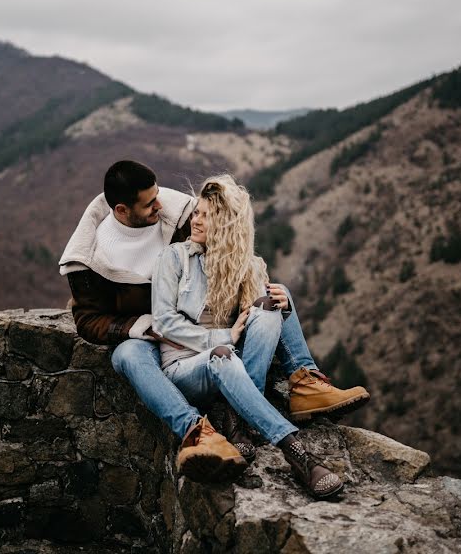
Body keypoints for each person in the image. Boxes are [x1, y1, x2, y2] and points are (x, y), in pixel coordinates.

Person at [58, 161, 370, 486]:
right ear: (122, 210)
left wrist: (275, 303)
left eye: (159, 196)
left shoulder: (178, 218)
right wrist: (141, 327)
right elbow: (89, 319)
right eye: (150, 203)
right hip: (159, 339)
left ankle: (296, 385)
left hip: (208, 340)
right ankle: (210, 434)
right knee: (129, 356)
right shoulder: (94, 256)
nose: (162, 206)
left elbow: (222, 256)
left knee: (272, 298)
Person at [151, 174, 366, 498]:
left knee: (271, 302)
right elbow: (164, 322)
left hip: (233, 367)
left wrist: (282, 307)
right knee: (222, 355)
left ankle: (238, 418)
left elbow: (261, 329)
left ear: (226, 224)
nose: (195, 220)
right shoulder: (175, 258)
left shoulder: (248, 266)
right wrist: (223, 335)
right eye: (196, 212)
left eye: (207, 215)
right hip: (186, 367)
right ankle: (298, 454)